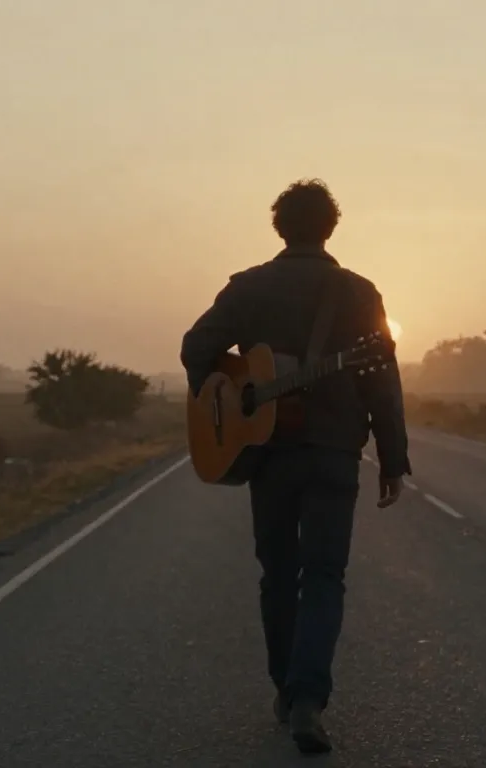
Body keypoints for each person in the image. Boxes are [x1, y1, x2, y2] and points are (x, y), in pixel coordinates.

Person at [180, 178, 412, 754]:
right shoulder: (360, 292)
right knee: (325, 575)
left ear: (279, 227)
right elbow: (381, 380)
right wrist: (392, 457)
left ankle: (287, 690)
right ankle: (309, 698)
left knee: (278, 574)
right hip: (334, 452)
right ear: (330, 228)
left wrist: (225, 399)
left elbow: (195, 347)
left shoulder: (248, 287)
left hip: (270, 457)